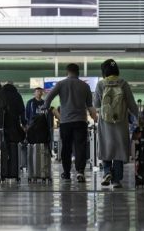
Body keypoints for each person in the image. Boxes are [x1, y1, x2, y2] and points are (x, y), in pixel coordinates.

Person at [91, 59, 138, 189]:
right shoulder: (123, 83)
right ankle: (117, 180)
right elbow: (132, 104)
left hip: (105, 122)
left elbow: (95, 105)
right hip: (121, 122)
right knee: (118, 148)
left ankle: (106, 172)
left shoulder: (101, 84)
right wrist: (138, 117)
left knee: (106, 146)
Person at [43, 64, 93, 183]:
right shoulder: (85, 86)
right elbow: (89, 104)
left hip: (66, 121)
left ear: (67, 72)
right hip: (81, 120)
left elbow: (48, 97)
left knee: (66, 147)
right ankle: (80, 171)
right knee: (80, 146)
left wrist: (45, 107)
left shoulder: (61, 84)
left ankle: (66, 173)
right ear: (78, 72)